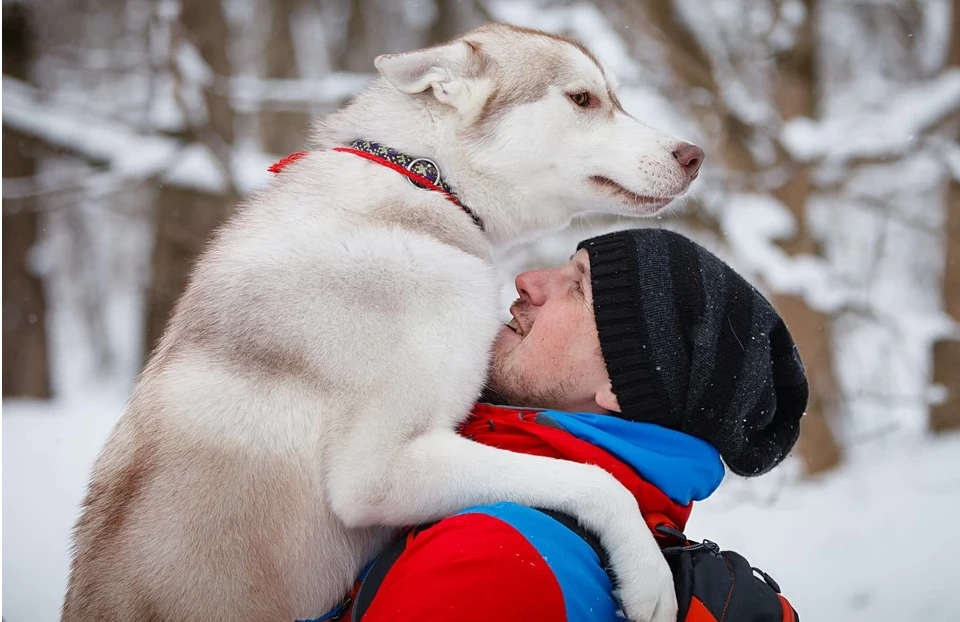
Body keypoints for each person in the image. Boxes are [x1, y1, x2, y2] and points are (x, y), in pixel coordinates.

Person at [319, 228, 806, 622]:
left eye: (577, 287)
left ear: (621, 385)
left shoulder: (497, 562)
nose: (528, 281)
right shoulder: (580, 543)